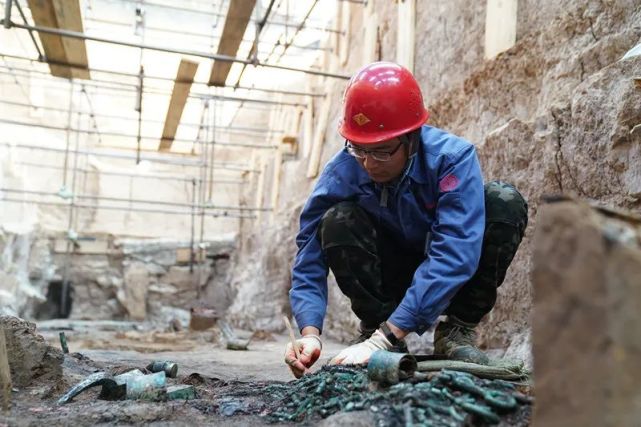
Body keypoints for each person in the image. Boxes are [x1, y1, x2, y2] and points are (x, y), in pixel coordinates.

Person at [284, 62, 528, 378]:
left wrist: (385, 337)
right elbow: (309, 254)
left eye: (382, 151)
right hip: (389, 276)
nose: (368, 163)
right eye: (359, 149)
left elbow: (454, 252)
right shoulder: (342, 171)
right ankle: (378, 327)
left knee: (503, 201)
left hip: (448, 278)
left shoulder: (452, 160)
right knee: (336, 220)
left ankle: (456, 332)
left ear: (411, 138)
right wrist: (309, 333)